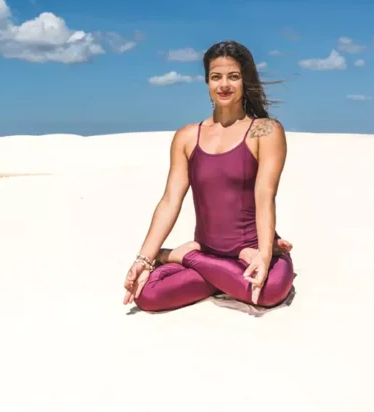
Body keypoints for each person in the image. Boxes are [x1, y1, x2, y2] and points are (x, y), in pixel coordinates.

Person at [123, 40, 295, 312]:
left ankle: (177, 256)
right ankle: (215, 272)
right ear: (207, 82)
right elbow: (170, 200)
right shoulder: (187, 137)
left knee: (270, 290)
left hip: (253, 251)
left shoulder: (265, 131)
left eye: (233, 76)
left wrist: (263, 254)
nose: (224, 84)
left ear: (245, 80)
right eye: (216, 77)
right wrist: (143, 260)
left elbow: (265, 196)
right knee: (147, 295)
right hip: (208, 251)